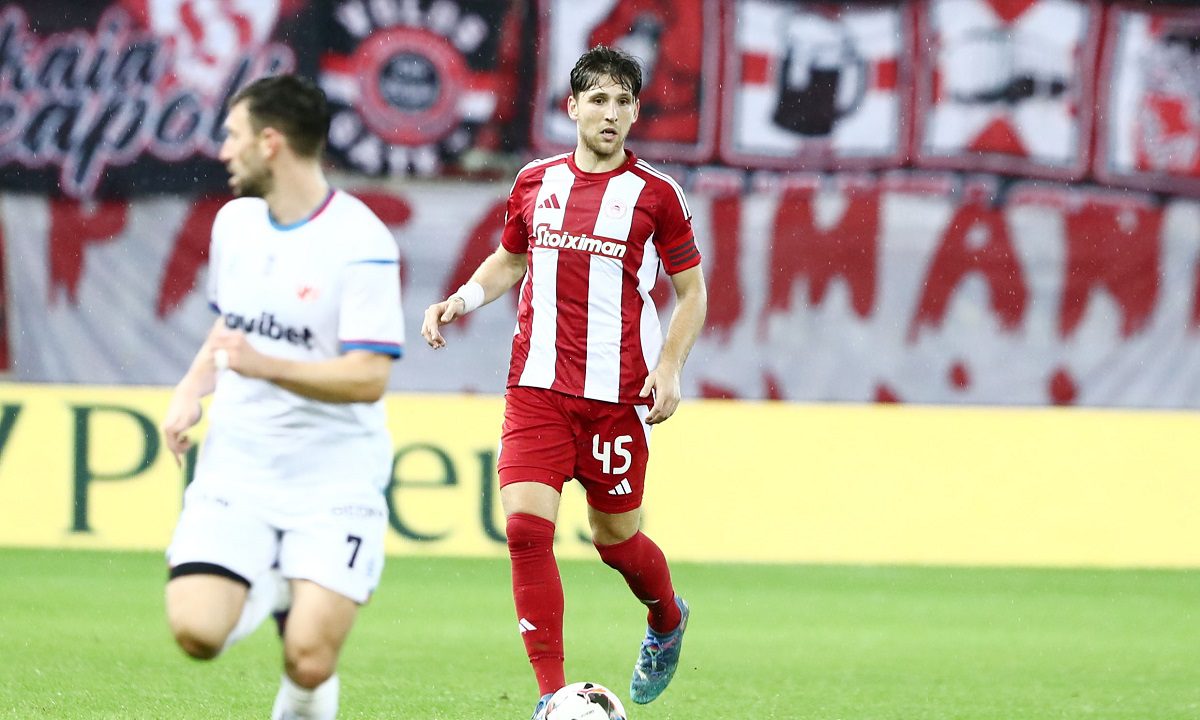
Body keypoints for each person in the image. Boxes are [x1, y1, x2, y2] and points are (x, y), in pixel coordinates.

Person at [421, 45, 707, 719]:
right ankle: (551, 696)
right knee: (526, 531)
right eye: (598, 99)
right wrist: (461, 299)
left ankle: (666, 617)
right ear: (572, 107)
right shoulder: (535, 182)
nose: (610, 113)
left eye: (623, 101)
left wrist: (669, 366)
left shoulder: (657, 196)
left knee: (615, 541)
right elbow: (509, 259)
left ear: (634, 113)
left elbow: (692, 292)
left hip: (617, 399)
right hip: (537, 388)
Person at [160, 74, 404, 720]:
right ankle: (271, 584)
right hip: (240, 463)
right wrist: (191, 388)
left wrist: (266, 367)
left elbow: (368, 376)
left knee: (309, 660)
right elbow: (231, 325)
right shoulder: (235, 223)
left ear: (270, 143)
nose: (223, 151)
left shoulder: (362, 243)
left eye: (232, 135)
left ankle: (283, 592)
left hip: (334, 473)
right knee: (196, 632)